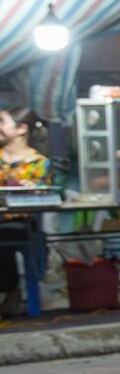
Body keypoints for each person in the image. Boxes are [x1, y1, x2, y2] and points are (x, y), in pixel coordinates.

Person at [0, 106, 50, 316]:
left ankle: (10, 289)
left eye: (2, 122)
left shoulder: (39, 162)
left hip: (18, 222)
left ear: (21, 128)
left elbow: (43, 197)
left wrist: (32, 191)